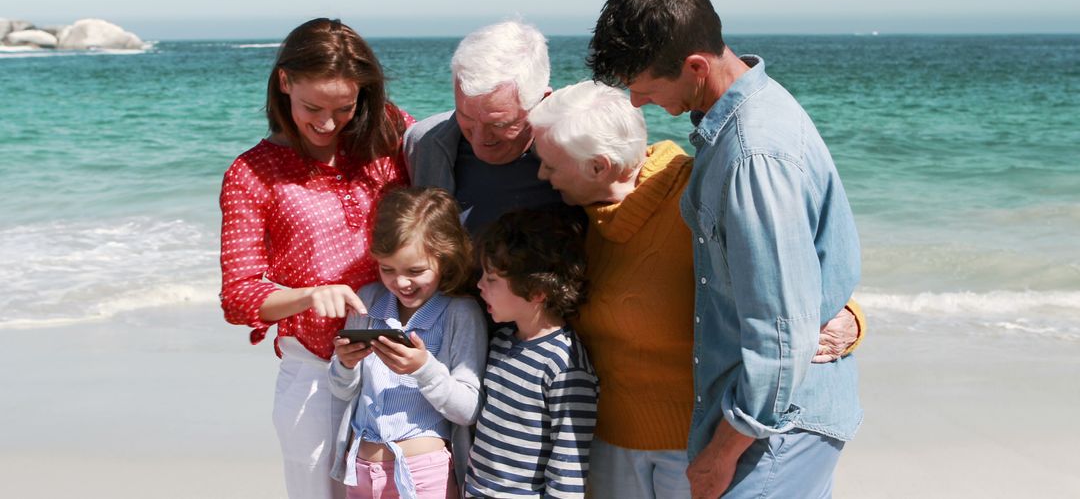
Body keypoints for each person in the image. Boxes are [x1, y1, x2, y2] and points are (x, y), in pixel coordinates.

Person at [587, 0, 863, 498]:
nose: (638, 101)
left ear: (695, 67)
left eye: (644, 86)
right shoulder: (739, 124)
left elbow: (779, 334)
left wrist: (720, 454)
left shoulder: (754, 153)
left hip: (776, 428)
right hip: (771, 420)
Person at [527, 81, 865, 499]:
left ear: (599, 167)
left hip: (694, 443)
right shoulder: (572, 219)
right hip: (607, 444)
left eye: (550, 165)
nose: (541, 175)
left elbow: (790, 274)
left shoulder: (697, 195)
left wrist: (851, 318)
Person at [219, 18, 412, 499]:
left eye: (344, 107)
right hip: (315, 376)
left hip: (403, 360)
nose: (328, 123)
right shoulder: (251, 173)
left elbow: (460, 146)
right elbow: (239, 297)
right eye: (313, 107)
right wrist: (309, 294)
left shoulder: (388, 131)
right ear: (284, 81)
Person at [327, 186, 487, 499]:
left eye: (415, 271)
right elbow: (342, 390)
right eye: (387, 269)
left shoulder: (459, 313)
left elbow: (468, 409)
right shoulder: (368, 299)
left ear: (446, 258)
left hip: (423, 475)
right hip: (358, 471)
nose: (400, 282)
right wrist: (345, 364)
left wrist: (424, 368)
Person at [465, 209, 599, 498]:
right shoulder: (500, 342)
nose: (479, 285)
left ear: (537, 290)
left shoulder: (564, 365)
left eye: (491, 279)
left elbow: (568, 468)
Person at [402, 20, 564, 235]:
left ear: (542, 103)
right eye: (466, 116)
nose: (480, 138)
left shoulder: (576, 150)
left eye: (498, 124)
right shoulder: (423, 143)